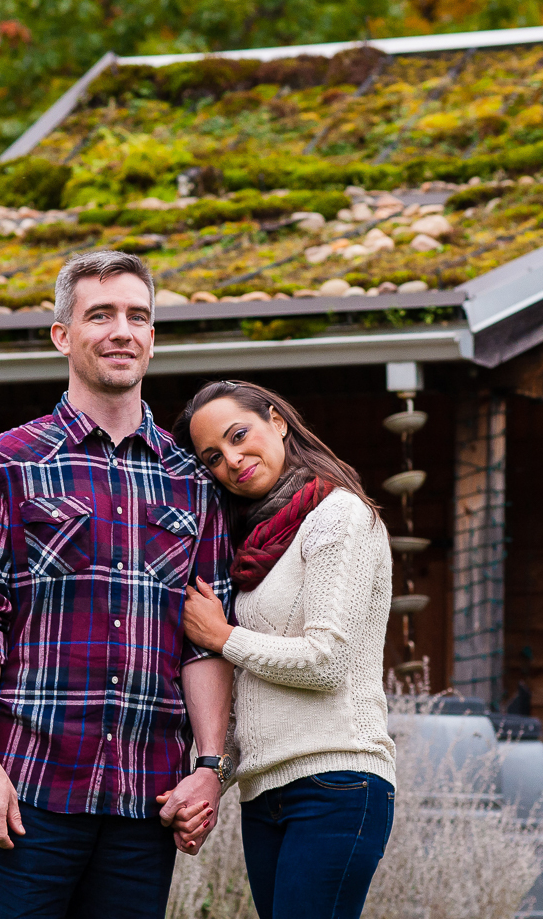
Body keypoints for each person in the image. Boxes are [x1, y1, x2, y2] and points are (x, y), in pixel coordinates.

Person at [0, 250, 236, 919]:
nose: (121, 330)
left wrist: (209, 766)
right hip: (29, 792)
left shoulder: (192, 482)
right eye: (99, 314)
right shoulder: (6, 464)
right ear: (63, 334)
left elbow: (205, 641)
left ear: (154, 337)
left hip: (145, 801)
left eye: (138, 315)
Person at [169, 380, 396, 919]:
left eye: (238, 434)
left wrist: (222, 636)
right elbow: (257, 697)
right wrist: (211, 782)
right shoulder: (253, 546)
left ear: (277, 421)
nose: (232, 459)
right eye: (213, 457)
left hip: (337, 783)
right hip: (265, 795)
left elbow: (327, 662)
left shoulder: (339, 517)